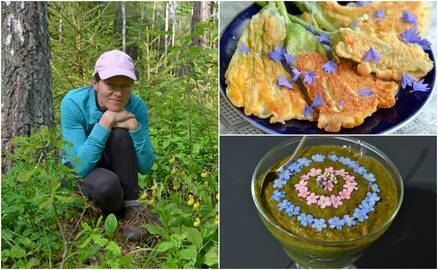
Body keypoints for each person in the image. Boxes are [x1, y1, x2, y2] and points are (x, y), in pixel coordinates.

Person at [60, 50, 155, 242]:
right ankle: (112, 205)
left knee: (121, 135)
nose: (119, 93)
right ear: (95, 83)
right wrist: (106, 122)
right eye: (110, 84)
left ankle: (133, 211)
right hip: (80, 167)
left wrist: (135, 129)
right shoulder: (73, 103)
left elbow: (146, 166)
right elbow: (79, 166)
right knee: (107, 187)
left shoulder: (136, 106)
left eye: (125, 85)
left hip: (113, 163)